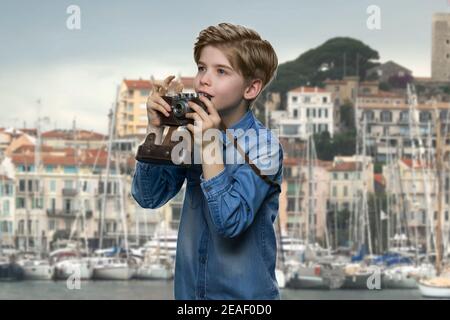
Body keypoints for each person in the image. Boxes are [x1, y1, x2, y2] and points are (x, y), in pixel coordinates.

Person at [132, 22, 283, 299]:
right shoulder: (189, 134)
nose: (203, 79)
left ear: (251, 88)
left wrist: (210, 145)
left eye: (221, 71)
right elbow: (148, 197)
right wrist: (157, 130)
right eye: (202, 67)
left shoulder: (265, 147)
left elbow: (230, 222)